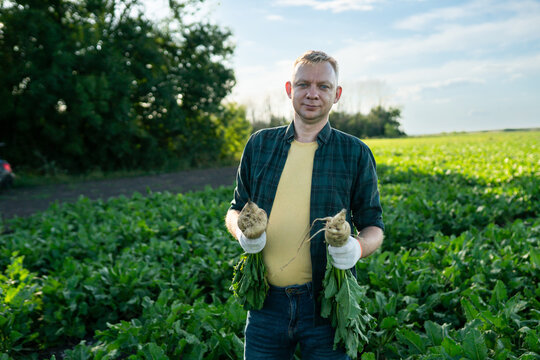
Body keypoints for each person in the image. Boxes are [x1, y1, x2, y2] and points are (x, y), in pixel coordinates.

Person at [225, 50, 384, 359]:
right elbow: (235, 209)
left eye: (323, 86)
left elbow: (373, 225)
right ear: (290, 89)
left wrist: (357, 248)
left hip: (327, 304)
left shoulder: (355, 153)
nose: (312, 93)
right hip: (265, 303)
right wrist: (243, 235)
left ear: (336, 94)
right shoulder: (259, 145)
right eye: (303, 84)